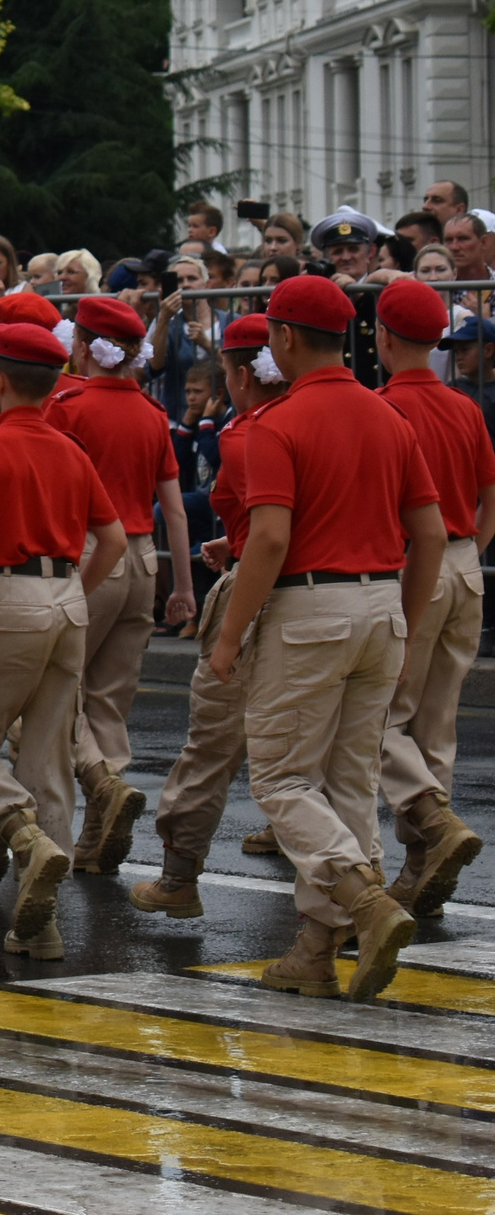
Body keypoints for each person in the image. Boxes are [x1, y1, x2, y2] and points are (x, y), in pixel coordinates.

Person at [208, 274, 438, 1000]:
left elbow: (269, 538)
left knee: (281, 778)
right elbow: (429, 531)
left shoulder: (279, 422)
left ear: (282, 338)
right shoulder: (389, 417)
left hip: (311, 608)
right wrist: (406, 616)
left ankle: (365, 900)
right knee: (351, 781)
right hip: (383, 605)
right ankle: (316, 946)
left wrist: (228, 635)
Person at [0, 320, 124, 958]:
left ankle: (21, 834)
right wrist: (72, 592)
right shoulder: (72, 450)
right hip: (67, 599)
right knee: (50, 762)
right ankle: (43, 930)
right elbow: (114, 540)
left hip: (9, 596)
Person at [132, 314, 288, 920]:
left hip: (264, 590)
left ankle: (179, 873)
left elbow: (273, 535)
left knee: (213, 743)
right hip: (352, 597)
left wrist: (227, 636)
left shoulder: (252, 432)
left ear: (242, 373)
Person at [47, 295, 193, 874]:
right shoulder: (152, 412)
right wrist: (182, 586)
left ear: (82, 345)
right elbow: (175, 510)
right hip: (142, 560)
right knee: (110, 699)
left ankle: (100, 789)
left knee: (58, 690)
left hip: (86, 553)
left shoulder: (66, 404)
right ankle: (96, 832)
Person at [369, 280, 491, 918]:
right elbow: (489, 496)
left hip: (410, 565)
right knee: (436, 722)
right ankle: (423, 869)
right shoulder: (465, 407)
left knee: (382, 717)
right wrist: (470, 548)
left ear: (383, 337)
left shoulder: (383, 407)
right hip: (466, 560)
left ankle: (433, 830)